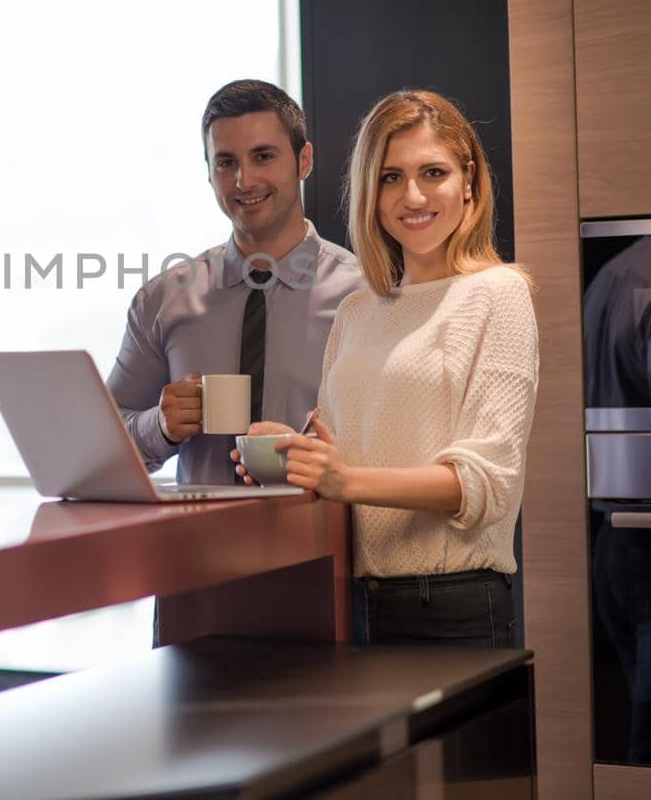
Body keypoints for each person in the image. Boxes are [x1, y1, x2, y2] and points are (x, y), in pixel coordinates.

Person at [237, 89, 538, 647]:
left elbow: (487, 483)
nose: (413, 195)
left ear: (468, 180)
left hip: (452, 606)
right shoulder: (357, 311)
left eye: (433, 172)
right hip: (352, 601)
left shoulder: (498, 294)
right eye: (391, 177)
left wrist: (345, 480)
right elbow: (344, 456)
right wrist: (292, 452)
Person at [107, 80, 363, 486]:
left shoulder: (365, 297)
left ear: (304, 161)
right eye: (226, 162)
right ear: (208, 173)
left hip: (326, 542)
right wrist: (160, 426)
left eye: (263, 156)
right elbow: (105, 445)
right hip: (197, 547)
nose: (245, 180)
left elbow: (397, 443)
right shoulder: (162, 300)